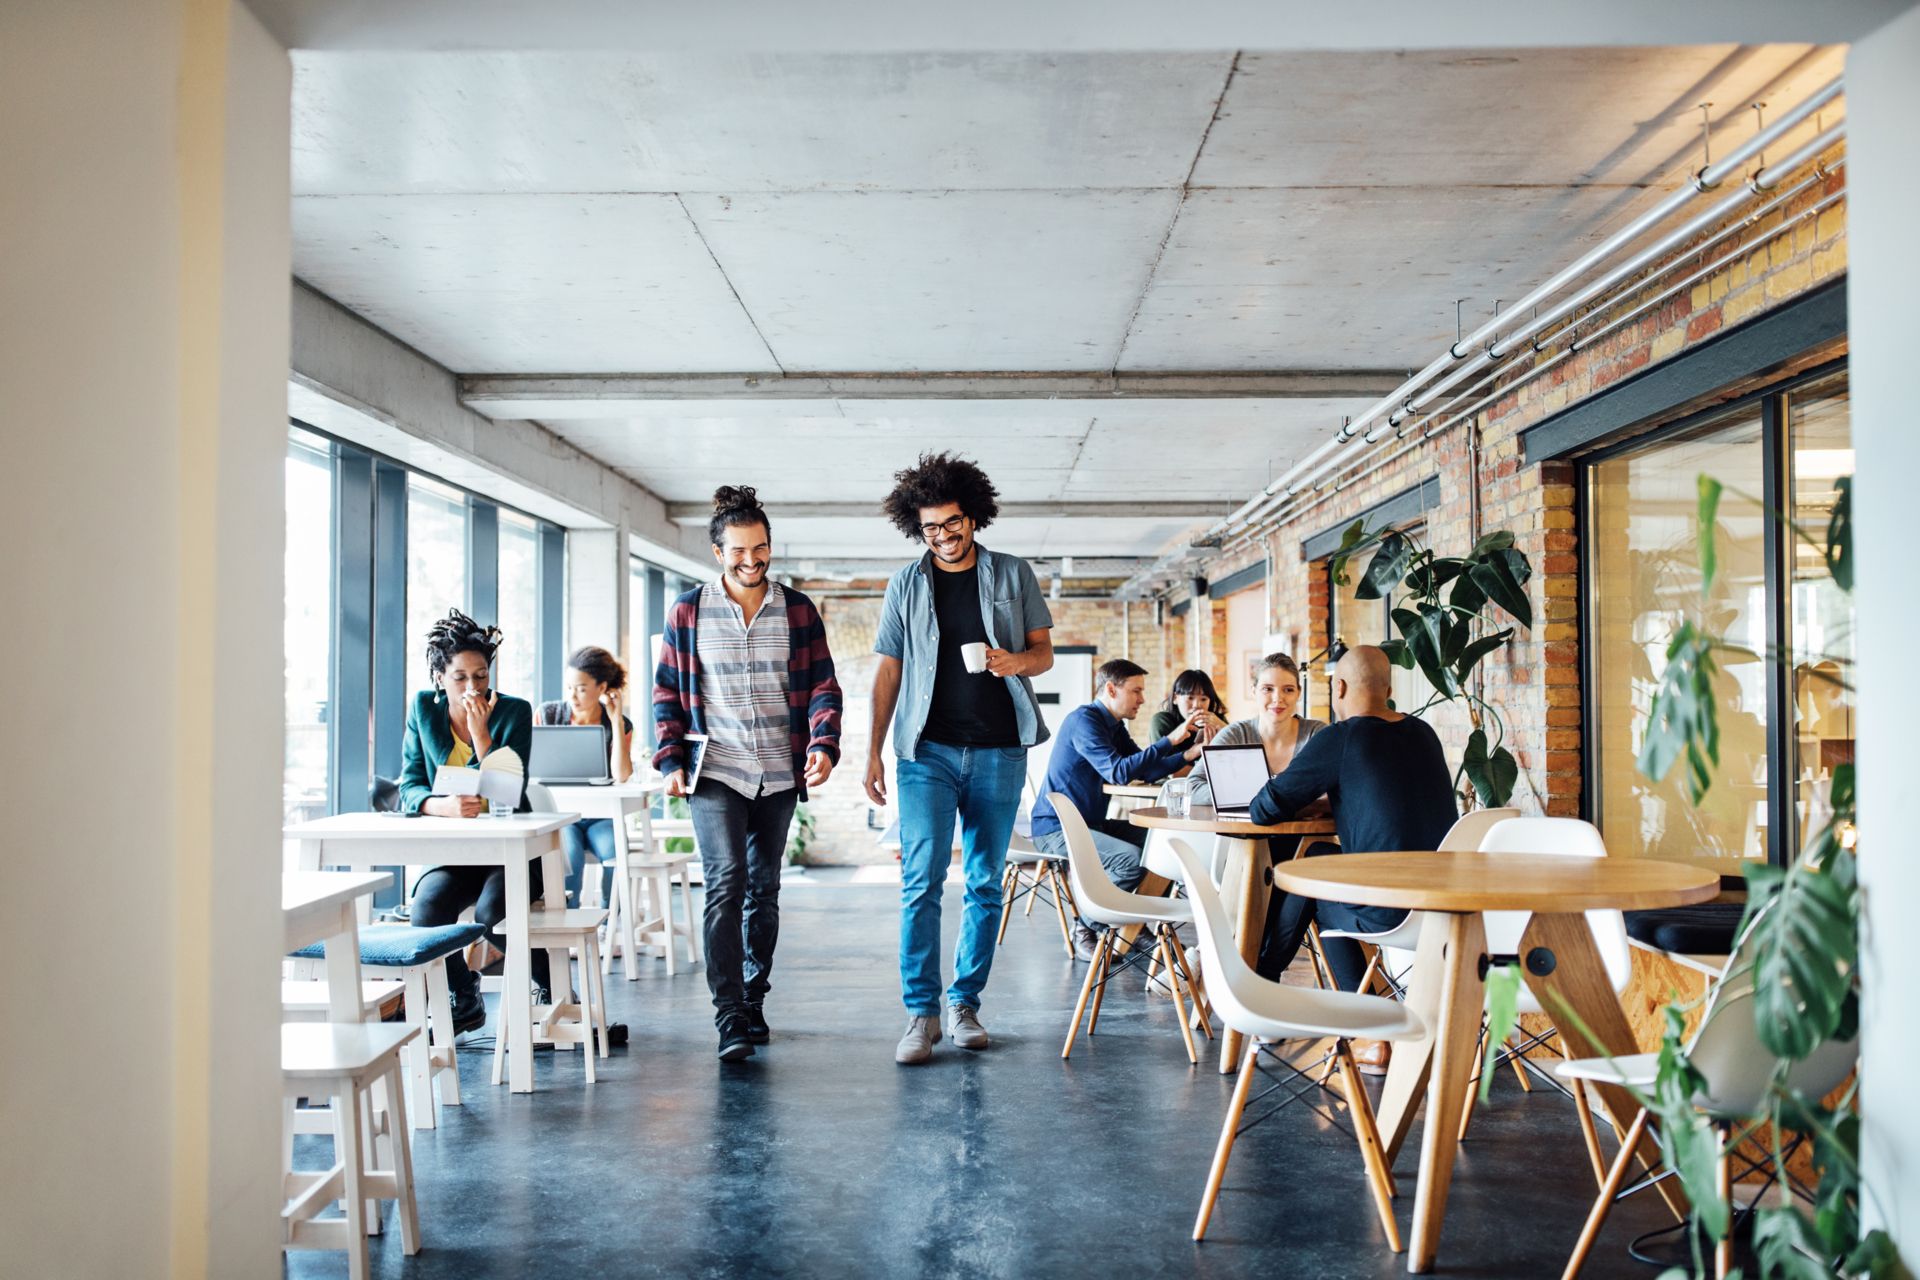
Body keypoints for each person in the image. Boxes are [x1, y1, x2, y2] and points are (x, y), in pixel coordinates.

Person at [865, 452, 1054, 1065]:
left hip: (1000, 751)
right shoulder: (905, 585)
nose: (942, 537)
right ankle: (920, 1014)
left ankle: (964, 1002)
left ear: (972, 518)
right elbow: (888, 670)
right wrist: (871, 750)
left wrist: (1011, 662)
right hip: (928, 753)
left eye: (951, 524)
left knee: (983, 884)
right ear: (916, 529)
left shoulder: (1012, 574)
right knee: (919, 883)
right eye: (930, 528)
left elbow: (1042, 654)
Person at [654, 485, 843, 1063]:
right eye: (739, 550)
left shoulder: (798, 609)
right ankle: (729, 1013)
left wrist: (825, 743)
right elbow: (667, 693)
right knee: (726, 884)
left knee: (764, 888)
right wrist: (670, 759)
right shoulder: (688, 611)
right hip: (716, 770)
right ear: (717, 551)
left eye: (760, 547)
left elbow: (822, 687)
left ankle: (756, 996)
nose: (752, 559)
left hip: (780, 769)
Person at [1248, 646, 1457, 1003]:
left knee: (1313, 877)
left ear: (1339, 688)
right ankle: (1268, 979)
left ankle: (1272, 985)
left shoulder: (1342, 736)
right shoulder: (1424, 733)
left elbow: (1263, 809)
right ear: (1388, 692)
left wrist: (1306, 802)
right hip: (1442, 904)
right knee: (1316, 854)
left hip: (1387, 908)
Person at [399, 609, 547, 1035]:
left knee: (493, 916)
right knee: (426, 911)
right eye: (460, 677)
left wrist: (482, 736)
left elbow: (509, 794)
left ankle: (557, 993)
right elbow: (408, 784)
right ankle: (465, 996)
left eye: (480, 676)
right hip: (458, 853)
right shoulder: (423, 711)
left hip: (512, 853)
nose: (472, 688)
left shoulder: (514, 711)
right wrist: (437, 805)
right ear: (440, 677)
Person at [1029, 658, 1212, 961]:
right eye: (1136, 691)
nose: (1142, 699)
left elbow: (1146, 768)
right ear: (1111, 689)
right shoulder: (1084, 721)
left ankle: (1133, 922)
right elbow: (1118, 772)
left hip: (1090, 824)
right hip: (1055, 828)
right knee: (1130, 860)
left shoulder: (1114, 727)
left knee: (1160, 842)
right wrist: (1173, 738)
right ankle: (1085, 926)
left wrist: (1189, 753)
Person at [536, 645, 634, 907]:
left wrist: (615, 721)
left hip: (601, 817)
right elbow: (534, 769)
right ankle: (569, 932)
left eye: (580, 688)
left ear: (601, 688)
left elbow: (622, 775)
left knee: (617, 857)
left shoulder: (619, 724)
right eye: (570, 687)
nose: (573, 695)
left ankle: (609, 928)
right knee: (570, 862)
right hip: (562, 815)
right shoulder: (548, 715)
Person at [1147, 668, 1228, 742]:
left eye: (1203, 699)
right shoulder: (1162, 721)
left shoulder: (1217, 720)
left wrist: (1225, 728)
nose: (1197, 705)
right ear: (1175, 698)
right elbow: (1164, 758)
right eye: (1190, 698)